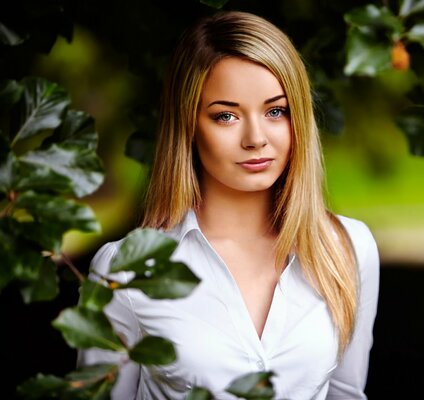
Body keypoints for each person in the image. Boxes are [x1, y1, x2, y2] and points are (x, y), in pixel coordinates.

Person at [78, 10, 380, 400]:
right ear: (188, 124)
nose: (256, 138)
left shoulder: (349, 247)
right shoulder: (126, 271)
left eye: (276, 111)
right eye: (226, 116)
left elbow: (346, 393)